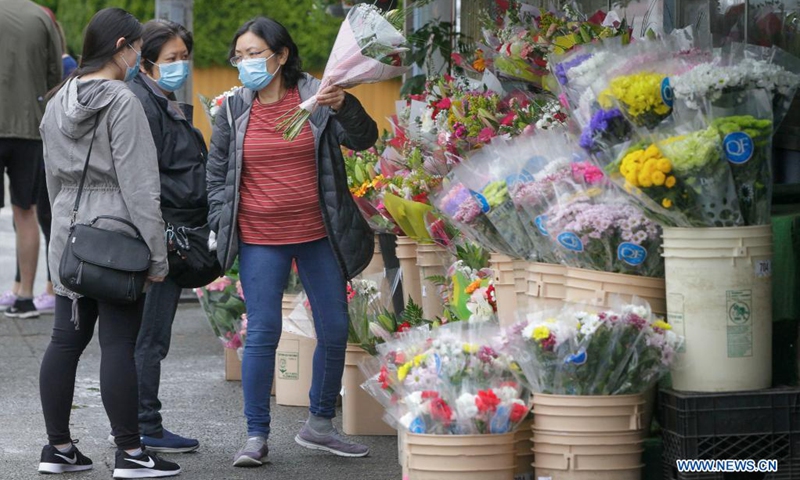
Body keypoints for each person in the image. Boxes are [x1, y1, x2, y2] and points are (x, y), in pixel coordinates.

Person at [207, 16, 378, 468]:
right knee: (264, 333)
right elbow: (218, 172)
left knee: (336, 328)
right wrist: (217, 221)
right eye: (239, 56)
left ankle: (319, 425)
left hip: (319, 233)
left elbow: (364, 139)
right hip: (261, 237)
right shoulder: (231, 108)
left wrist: (346, 107)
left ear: (281, 55)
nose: (245, 63)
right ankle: (256, 436)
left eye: (255, 54)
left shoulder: (318, 97)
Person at [37, 8, 180, 478]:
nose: (140, 55)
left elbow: (54, 181)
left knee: (65, 340)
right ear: (123, 46)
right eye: (139, 47)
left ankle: (58, 449)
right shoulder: (123, 101)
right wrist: (157, 255)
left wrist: (61, 241)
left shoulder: (57, 100)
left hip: (69, 236)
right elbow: (140, 187)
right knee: (119, 343)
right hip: (118, 237)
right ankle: (132, 453)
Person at [125, 19, 205, 454]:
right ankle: (143, 426)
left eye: (184, 57)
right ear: (147, 59)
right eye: (171, 58)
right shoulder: (142, 102)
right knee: (149, 337)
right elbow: (147, 176)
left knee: (149, 335)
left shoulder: (162, 99)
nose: (180, 66)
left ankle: (140, 424)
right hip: (159, 235)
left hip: (166, 231)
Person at [0, 0, 62, 318]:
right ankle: (25, 296)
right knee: (26, 212)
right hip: (29, 128)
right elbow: (55, 72)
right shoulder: (41, 16)